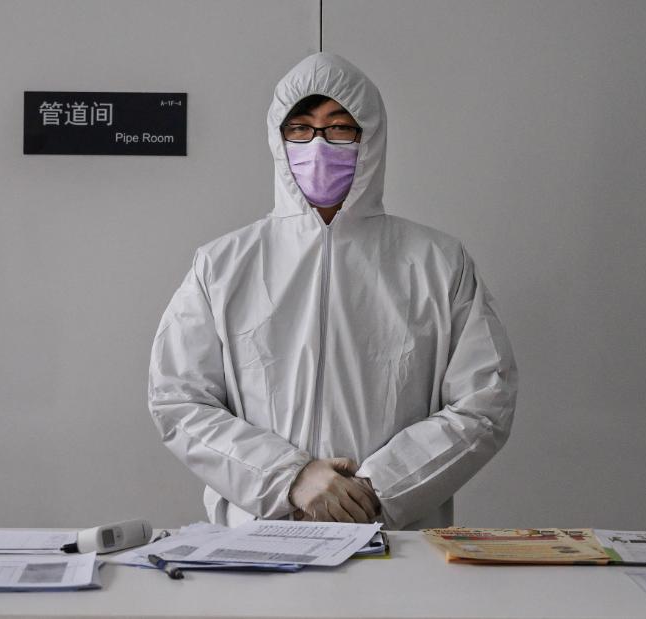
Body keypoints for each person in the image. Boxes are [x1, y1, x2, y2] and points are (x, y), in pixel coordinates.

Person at [148, 52, 518, 530]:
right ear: (278, 140)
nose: (318, 145)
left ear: (371, 137)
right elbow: (178, 399)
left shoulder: (437, 262)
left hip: (391, 535)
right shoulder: (223, 264)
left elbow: (485, 400)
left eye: (340, 128)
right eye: (300, 128)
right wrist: (289, 477)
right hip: (260, 534)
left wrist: (377, 487)